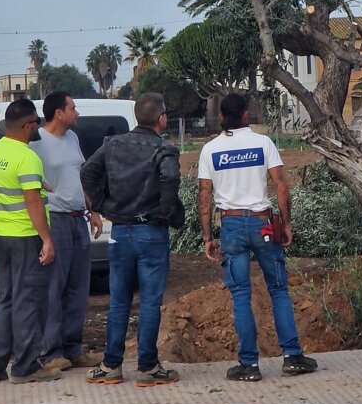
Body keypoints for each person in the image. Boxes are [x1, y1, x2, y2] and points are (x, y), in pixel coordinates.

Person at [198, 94, 317, 382]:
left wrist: (207, 237)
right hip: (263, 225)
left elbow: (204, 196)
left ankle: (249, 365)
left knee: (240, 295)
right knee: (278, 290)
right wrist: (286, 224)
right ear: (246, 116)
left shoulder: (210, 150)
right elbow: (281, 186)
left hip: (231, 227)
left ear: (222, 117)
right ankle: (292, 357)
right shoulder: (263, 143)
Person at [80, 92, 182, 387]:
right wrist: (163, 211)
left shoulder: (112, 145)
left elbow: (87, 172)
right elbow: (171, 179)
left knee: (119, 301)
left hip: (121, 232)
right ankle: (148, 368)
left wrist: (102, 204)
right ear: (161, 118)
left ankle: (111, 365)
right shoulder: (164, 149)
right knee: (150, 301)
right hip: (151, 232)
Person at [0, 99, 59, 384]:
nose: (37, 127)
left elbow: (12, 187)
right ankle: (26, 366)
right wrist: (47, 240)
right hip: (25, 237)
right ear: (27, 126)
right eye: (36, 123)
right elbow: (32, 203)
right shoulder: (27, 157)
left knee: (6, 299)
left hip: (1, 235)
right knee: (28, 301)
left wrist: (37, 184)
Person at [33, 92, 102, 371]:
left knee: (78, 287)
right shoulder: (36, 141)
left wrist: (92, 210)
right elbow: (29, 182)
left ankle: (73, 348)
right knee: (54, 288)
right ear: (58, 113)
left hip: (78, 219)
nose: (78, 112)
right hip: (56, 220)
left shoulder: (72, 139)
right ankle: (50, 352)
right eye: (73, 108)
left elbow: (79, 175)